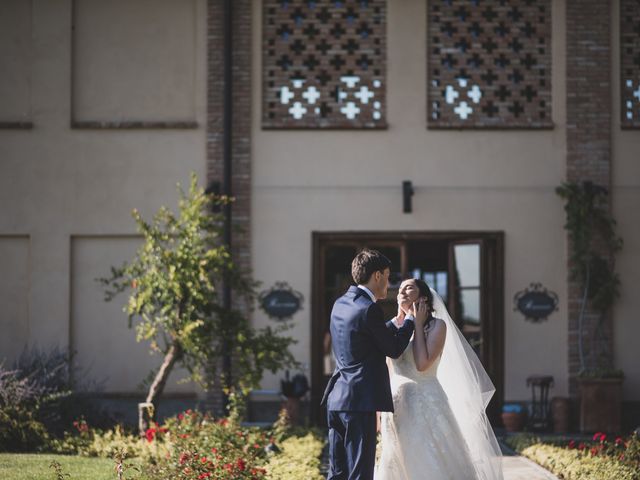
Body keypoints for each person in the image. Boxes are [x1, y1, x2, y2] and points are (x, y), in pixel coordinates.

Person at [375, 278, 503, 480]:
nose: (402, 291)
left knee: (426, 458)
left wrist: (417, 324)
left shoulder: (437, 326)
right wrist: (379, 409)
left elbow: (422, 364)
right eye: (400, 289)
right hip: (396, 405)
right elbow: (387, 368)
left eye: (409, 288)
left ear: (424, 298)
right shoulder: (391, 328)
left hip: (426, 402)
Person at [321, 249, 415, 480]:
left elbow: (363, 335)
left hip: (337, 400)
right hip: (359, 403)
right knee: (360, 473)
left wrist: (396, 320)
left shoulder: (341, 303)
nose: (389, 282)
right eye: (388, 275)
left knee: (338, 473)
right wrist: (411, 319)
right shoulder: (369, 308)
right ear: (377, 276)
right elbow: (392, 349)